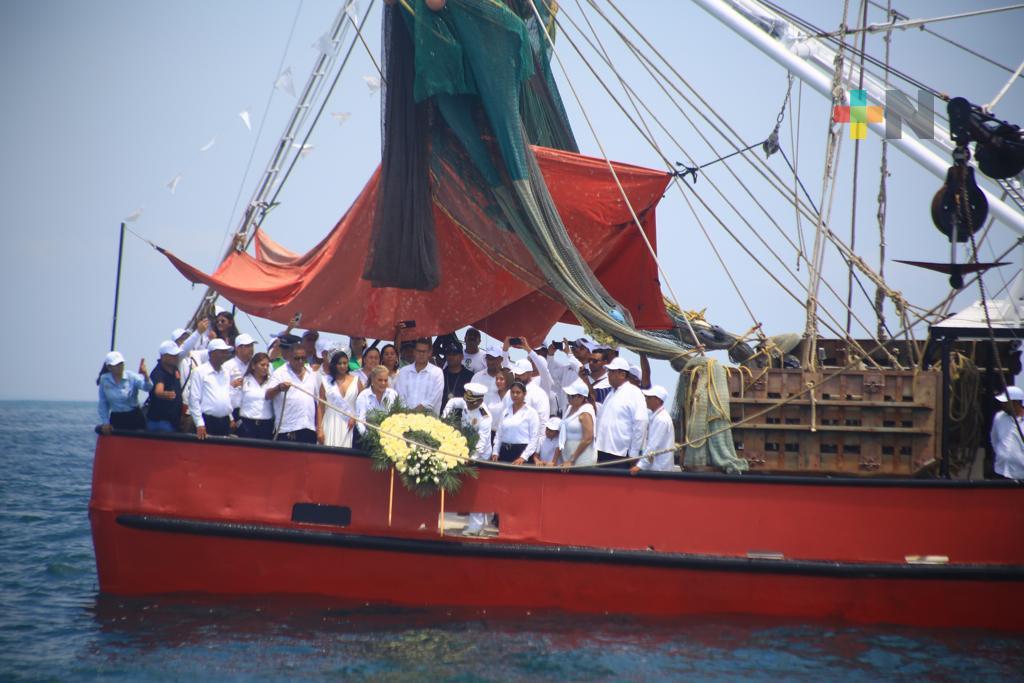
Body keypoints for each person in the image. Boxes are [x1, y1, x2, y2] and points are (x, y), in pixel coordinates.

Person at [441, 383, 493, 536]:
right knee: (468, 489)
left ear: (479, 401)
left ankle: (475, 527)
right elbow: (452, 402)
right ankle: (480, 522)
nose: (468, 405)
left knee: (477, 491)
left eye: (471, 403)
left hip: (480, 457)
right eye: (467, 401)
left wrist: (471, 458)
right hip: (465, 449)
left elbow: (482, 442)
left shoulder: (485, 417)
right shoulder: (466, 402)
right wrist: (445, 417)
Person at [594, 357, 649, 469]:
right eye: (609, 372)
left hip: (620, 454)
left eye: (612, 372)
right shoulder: (611, 393)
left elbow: (641, 423)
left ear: (622, 374)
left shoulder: (634, 392)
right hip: (603, 450)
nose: (608, 375)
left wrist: (634, 454)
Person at [266, 343, 319, 443]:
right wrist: (279, 388)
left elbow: (319, 401)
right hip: (288, 428)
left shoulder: (312, 374)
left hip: (309, 427)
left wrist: (319, 427)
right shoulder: (280, 373)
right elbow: (268, 395)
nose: (300, 361)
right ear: (289, 358)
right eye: (297, 358)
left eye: (303, 358)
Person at [187, 339, 235, 439]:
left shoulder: (226, 372)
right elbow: (193, 399)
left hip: (224, 421)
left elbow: (226, 396)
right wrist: (199, 423)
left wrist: (230, 417)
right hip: (207, 421)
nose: (225, 355)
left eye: (226, 352)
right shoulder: (199, 372)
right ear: (212, 354)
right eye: (222, 352)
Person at [98, 351, 152, 433]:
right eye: (116, 365)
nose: (120, 366)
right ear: (109, 367)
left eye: (121, 363)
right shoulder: (104, 379)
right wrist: (105, 422)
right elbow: (103, 402)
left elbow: (148, 388)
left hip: (134, 417)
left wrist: (145, 375)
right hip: (116, 417)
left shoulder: (132, 377)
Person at [318, 350, 362, 448]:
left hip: (349, 423)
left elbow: (362, 404)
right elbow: (320, 407)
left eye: (345, 363)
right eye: (339, 363)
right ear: (334, 365)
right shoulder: (326, 381)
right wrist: (319, 430)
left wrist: (355, 417)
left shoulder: (356, 381)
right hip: (330, 422)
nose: (342, 366)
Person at [493, 381, 540, 464]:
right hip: (504, 452)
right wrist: (495, 452)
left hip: (521, 452)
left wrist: (523, 457)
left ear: (524, 394)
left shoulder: (531, 413)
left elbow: (534, 438)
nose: (515, 395)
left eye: (518, 392)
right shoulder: (506, 411)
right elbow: (499, 434)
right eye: (512, 392)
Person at [632, 385, 676, 474]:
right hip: (657, 467)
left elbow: (653, 446)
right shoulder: (657, 417)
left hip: (659, 469)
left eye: (649, 397)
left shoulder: (661, 419)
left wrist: (640, 466)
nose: (646, 399)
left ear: (658, 400)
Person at [395, 337, 444, 414]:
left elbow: (435, 397)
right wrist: (407, 412)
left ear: (429, 353)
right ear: (414, 352)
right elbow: (400, 395)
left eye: (424, 351)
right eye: (419, 351)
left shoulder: (437, 372)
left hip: (429, 418)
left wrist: (416, 411)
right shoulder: (403, 371)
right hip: (405, 417)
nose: (421, 354)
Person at [557, 378, 597, 467]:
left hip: (583, 458)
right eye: (568, 395)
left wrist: (572, 459)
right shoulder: (569, 408)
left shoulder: (586, 412)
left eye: (571, 396)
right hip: (567, 456)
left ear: (581, 397)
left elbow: (588, 438)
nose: (568, 398)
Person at [146, 341, 184, 432]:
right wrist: (164, 394)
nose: (176, 357)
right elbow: (158, 391)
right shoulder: (159, 372)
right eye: (172, 355)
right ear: (163, 356)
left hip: (173, 421)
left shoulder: (175, 369)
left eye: (176, 355)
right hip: (160, 422)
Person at [512, 358, 550, 449]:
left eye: (521, 374)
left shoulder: (538, 393)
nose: (517, 376)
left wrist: (538, 449)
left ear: (530, 374)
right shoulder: (511, 392)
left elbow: (543, 421)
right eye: (516, 374)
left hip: (529, 444)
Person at [236, 352, 274, 439]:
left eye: (267, 365)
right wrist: (239, 423)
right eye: (262, 365)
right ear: (253, 366)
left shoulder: (272, 383)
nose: (265, 368)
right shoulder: (244, 381)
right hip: (247, 423)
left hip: (266, 425)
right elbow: (235, 403)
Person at [991, 386, 1024, 479]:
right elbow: (994, 440)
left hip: (1021, 475)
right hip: (1000, 471)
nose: (1002, 404)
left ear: (1015, 403)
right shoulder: (999, 417)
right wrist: (1001, 454)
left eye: (1005, 402)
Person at [355, 365, 398, 436]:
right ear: (372, 380)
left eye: (385, 380)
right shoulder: (363, 396)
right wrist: (369, 437)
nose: (383, 383)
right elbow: (360, 421)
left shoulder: (393, 394)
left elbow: (400, 415)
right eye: (380, 380)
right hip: (368, 437)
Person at [441, 341, 474, 411]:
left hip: (462, 416)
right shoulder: (440, 374)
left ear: (462, 357)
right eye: (449, 354)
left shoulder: (470, 376)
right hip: (441, 415)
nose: (451, 357)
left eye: (454, 354)